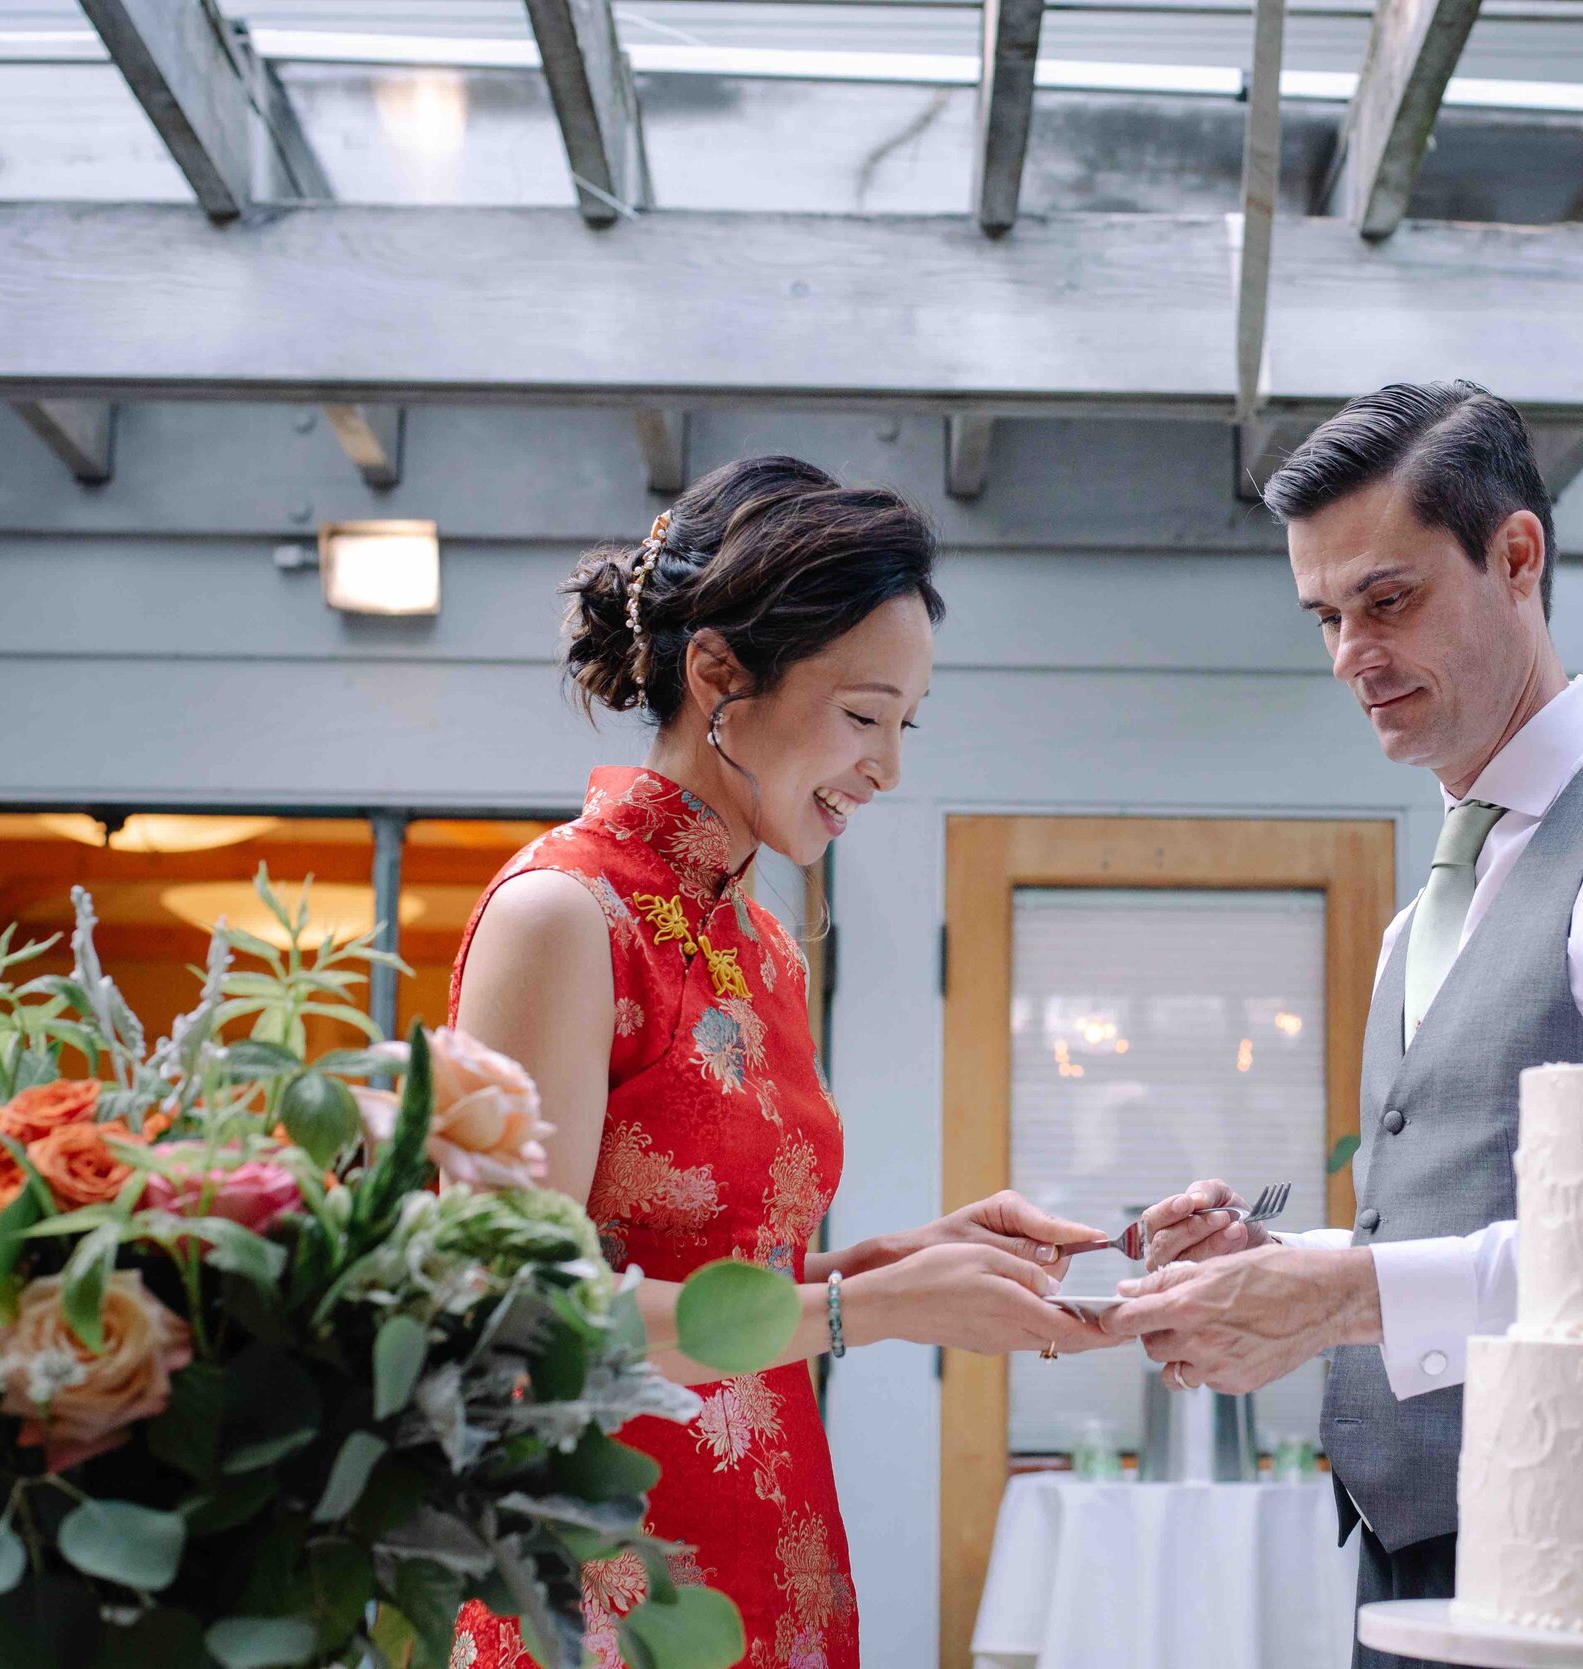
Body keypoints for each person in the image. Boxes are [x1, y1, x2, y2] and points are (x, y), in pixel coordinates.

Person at [1103, 383, 1583, 1665]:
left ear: (1515, 557)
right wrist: (1279, 1269)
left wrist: (1341, 1292)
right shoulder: (1433, 906)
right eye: (1324, 616)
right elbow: (1476, 1215)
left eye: (1386, 601)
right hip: (1415, 1558)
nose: (1349, 657)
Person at [447, 456, 1109, 1669]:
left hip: (775, 1551)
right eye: (863, 716)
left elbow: (731, 1271)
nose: (890, 767)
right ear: (717, 673)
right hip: (604, 1584)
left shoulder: (762, 941)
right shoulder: (564, 915)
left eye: (905, 726)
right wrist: (874, 1307)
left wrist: (907, 1258)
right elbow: (513, 1320)